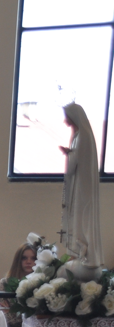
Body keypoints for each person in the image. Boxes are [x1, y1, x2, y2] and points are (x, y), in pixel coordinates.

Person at [61, 102, 103, 278]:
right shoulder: (82, 135)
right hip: (82, 186)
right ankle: (80, 253)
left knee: (81, 219)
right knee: (81, 219)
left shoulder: (81, 136)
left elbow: (74, 164)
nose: (65, 120)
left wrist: (68, 154)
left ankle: (84, 253)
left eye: (67, 117)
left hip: (82, 189)